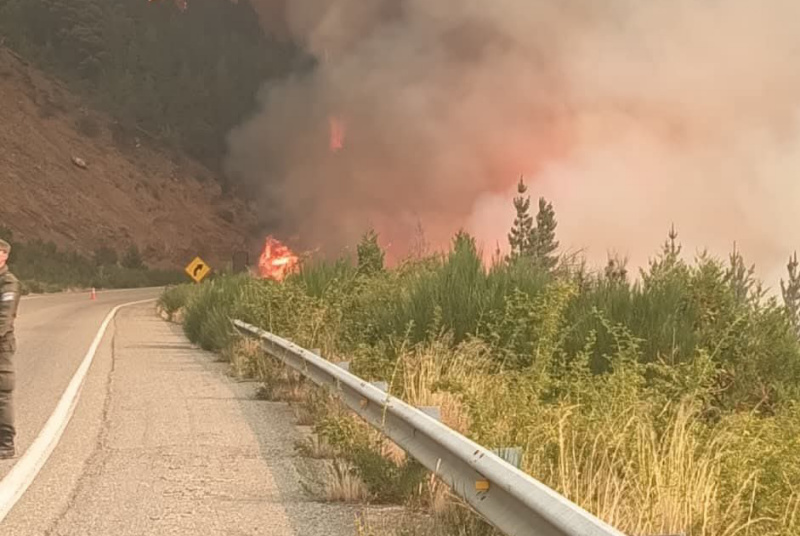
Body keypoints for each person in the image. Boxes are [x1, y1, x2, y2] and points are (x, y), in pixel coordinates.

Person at [0, 239, 19, 459]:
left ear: (4, 255)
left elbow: (3, 320)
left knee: (2, 395)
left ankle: (5, 443)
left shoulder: (9, 284)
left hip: (1, 347)